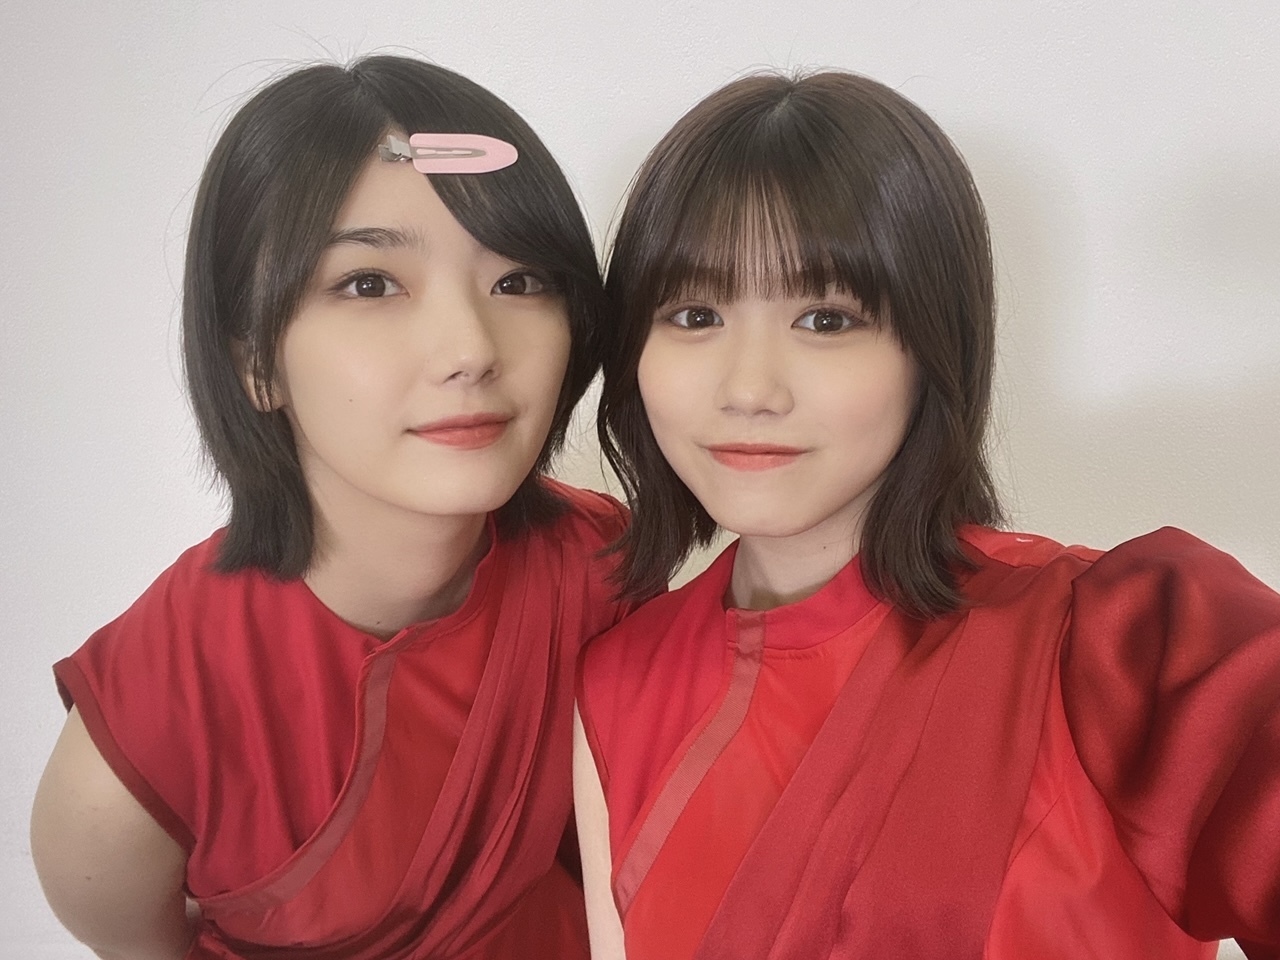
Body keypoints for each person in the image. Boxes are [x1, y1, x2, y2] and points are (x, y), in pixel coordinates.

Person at [574, 71, 1280, 960]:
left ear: (934, 345)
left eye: (826, 319)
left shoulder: (1131, 638)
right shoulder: (618, 685)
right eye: (695, 313)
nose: (748, 389)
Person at [31, 55, 635, 960]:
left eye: (518, 282)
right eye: (369, 284)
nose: (470, 349)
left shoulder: (605, 574)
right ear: (254, 361)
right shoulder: (153, 721)